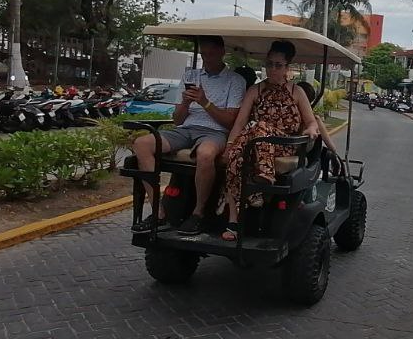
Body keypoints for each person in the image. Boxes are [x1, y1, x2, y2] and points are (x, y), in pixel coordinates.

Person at [130, 36, 246, 235]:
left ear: (221, 52)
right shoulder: (191, 76)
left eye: (211, 54)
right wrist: (184, 103)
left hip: (215, 131)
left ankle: (198, 213)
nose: (207, 58)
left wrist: (205, 102)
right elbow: (177, 120)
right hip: (187, 128)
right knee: (142, 144)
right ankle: (159, 212)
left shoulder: (235, 81)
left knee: (206, 154)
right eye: (204, 54)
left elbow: (230, 121)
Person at [221, 41, 319, 241]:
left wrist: (311, 129)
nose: (272, 69)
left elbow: (311, 122)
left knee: (260, 127)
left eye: (278, 65)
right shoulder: (255, 91)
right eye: (269, 64)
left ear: (287, 68)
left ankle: (263, 177)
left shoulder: (296, 92)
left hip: (284, 145)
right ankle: (234, 220)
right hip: (254, 145)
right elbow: (240, 124)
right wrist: (230, 147)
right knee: (236, 156)